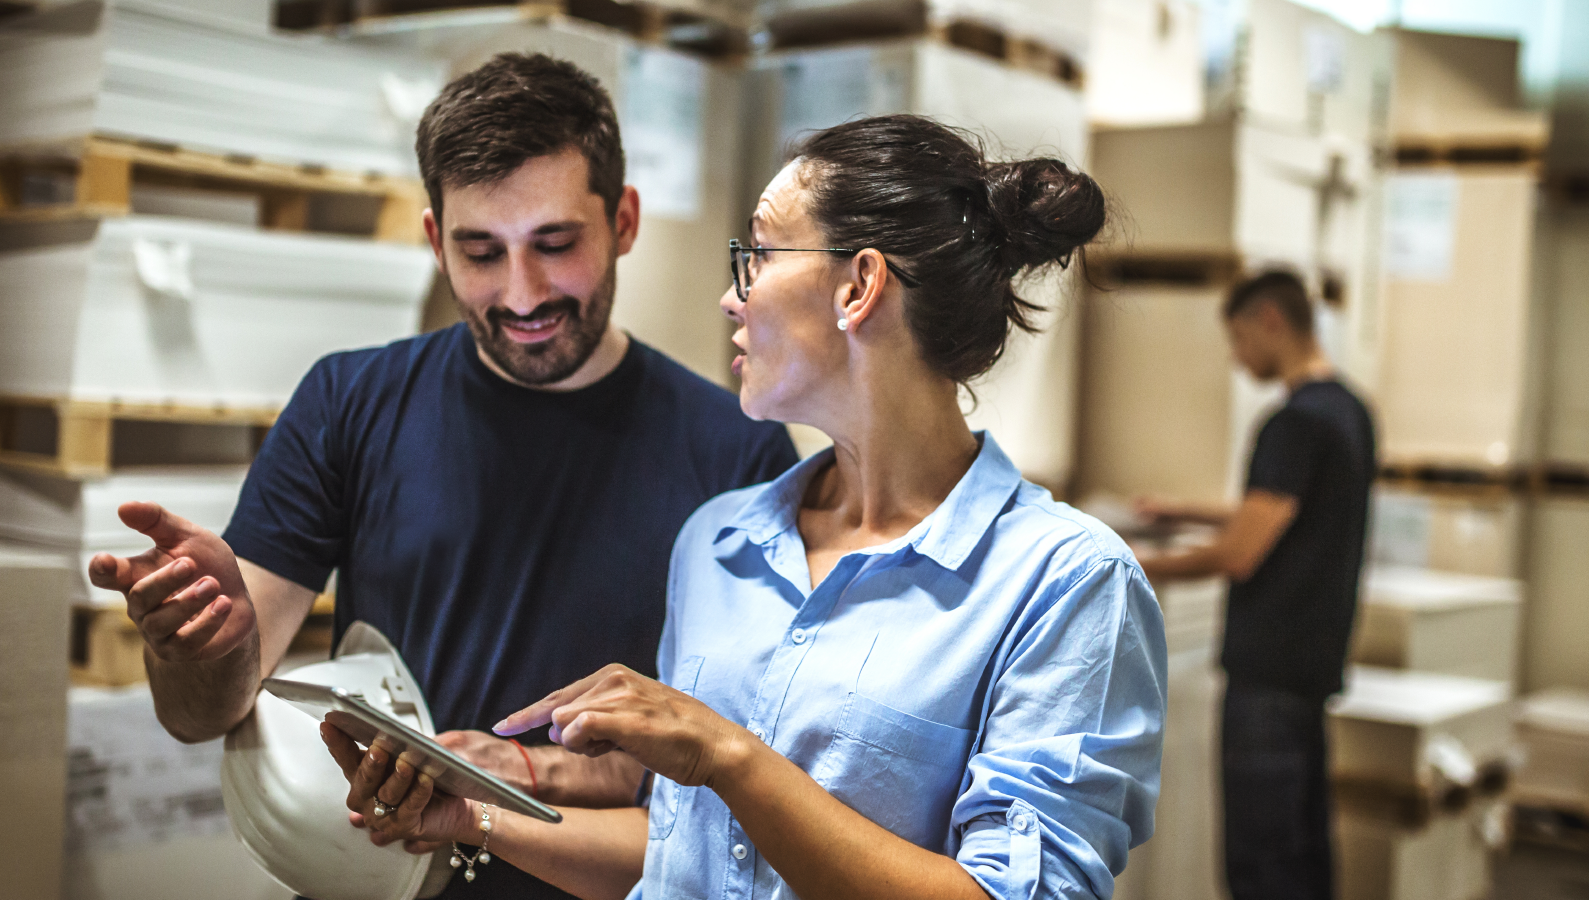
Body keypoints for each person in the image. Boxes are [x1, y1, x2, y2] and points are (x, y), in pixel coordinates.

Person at [324, 114, 1167, 900]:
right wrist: (473, 817)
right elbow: (674, 842)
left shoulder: (1067, 583)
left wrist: (729, 755)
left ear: (858, 286)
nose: (734, 297)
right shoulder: (718, 542)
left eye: (757, 256)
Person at [85, 53, 798, 900]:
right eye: (480, 251)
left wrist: (534, 770)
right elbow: (199, 714)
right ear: (434, 241)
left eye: (556, 244)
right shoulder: (347, 403)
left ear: (624, 221)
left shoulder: (735, 456)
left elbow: (738, 782)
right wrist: (210, 645)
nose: (522, 293)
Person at [1135, 270, 1376, 900]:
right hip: (1310, 673)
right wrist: (1181, 511)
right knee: (1303, 859)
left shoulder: (1293, 422)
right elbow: (1292, 513)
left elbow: (1243, 552)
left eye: (1238, 339)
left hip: (1266, 678)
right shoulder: (1349, 411)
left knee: (1261, 866)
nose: (1237, 360)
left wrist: (1131, 561)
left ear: (1269, 319)